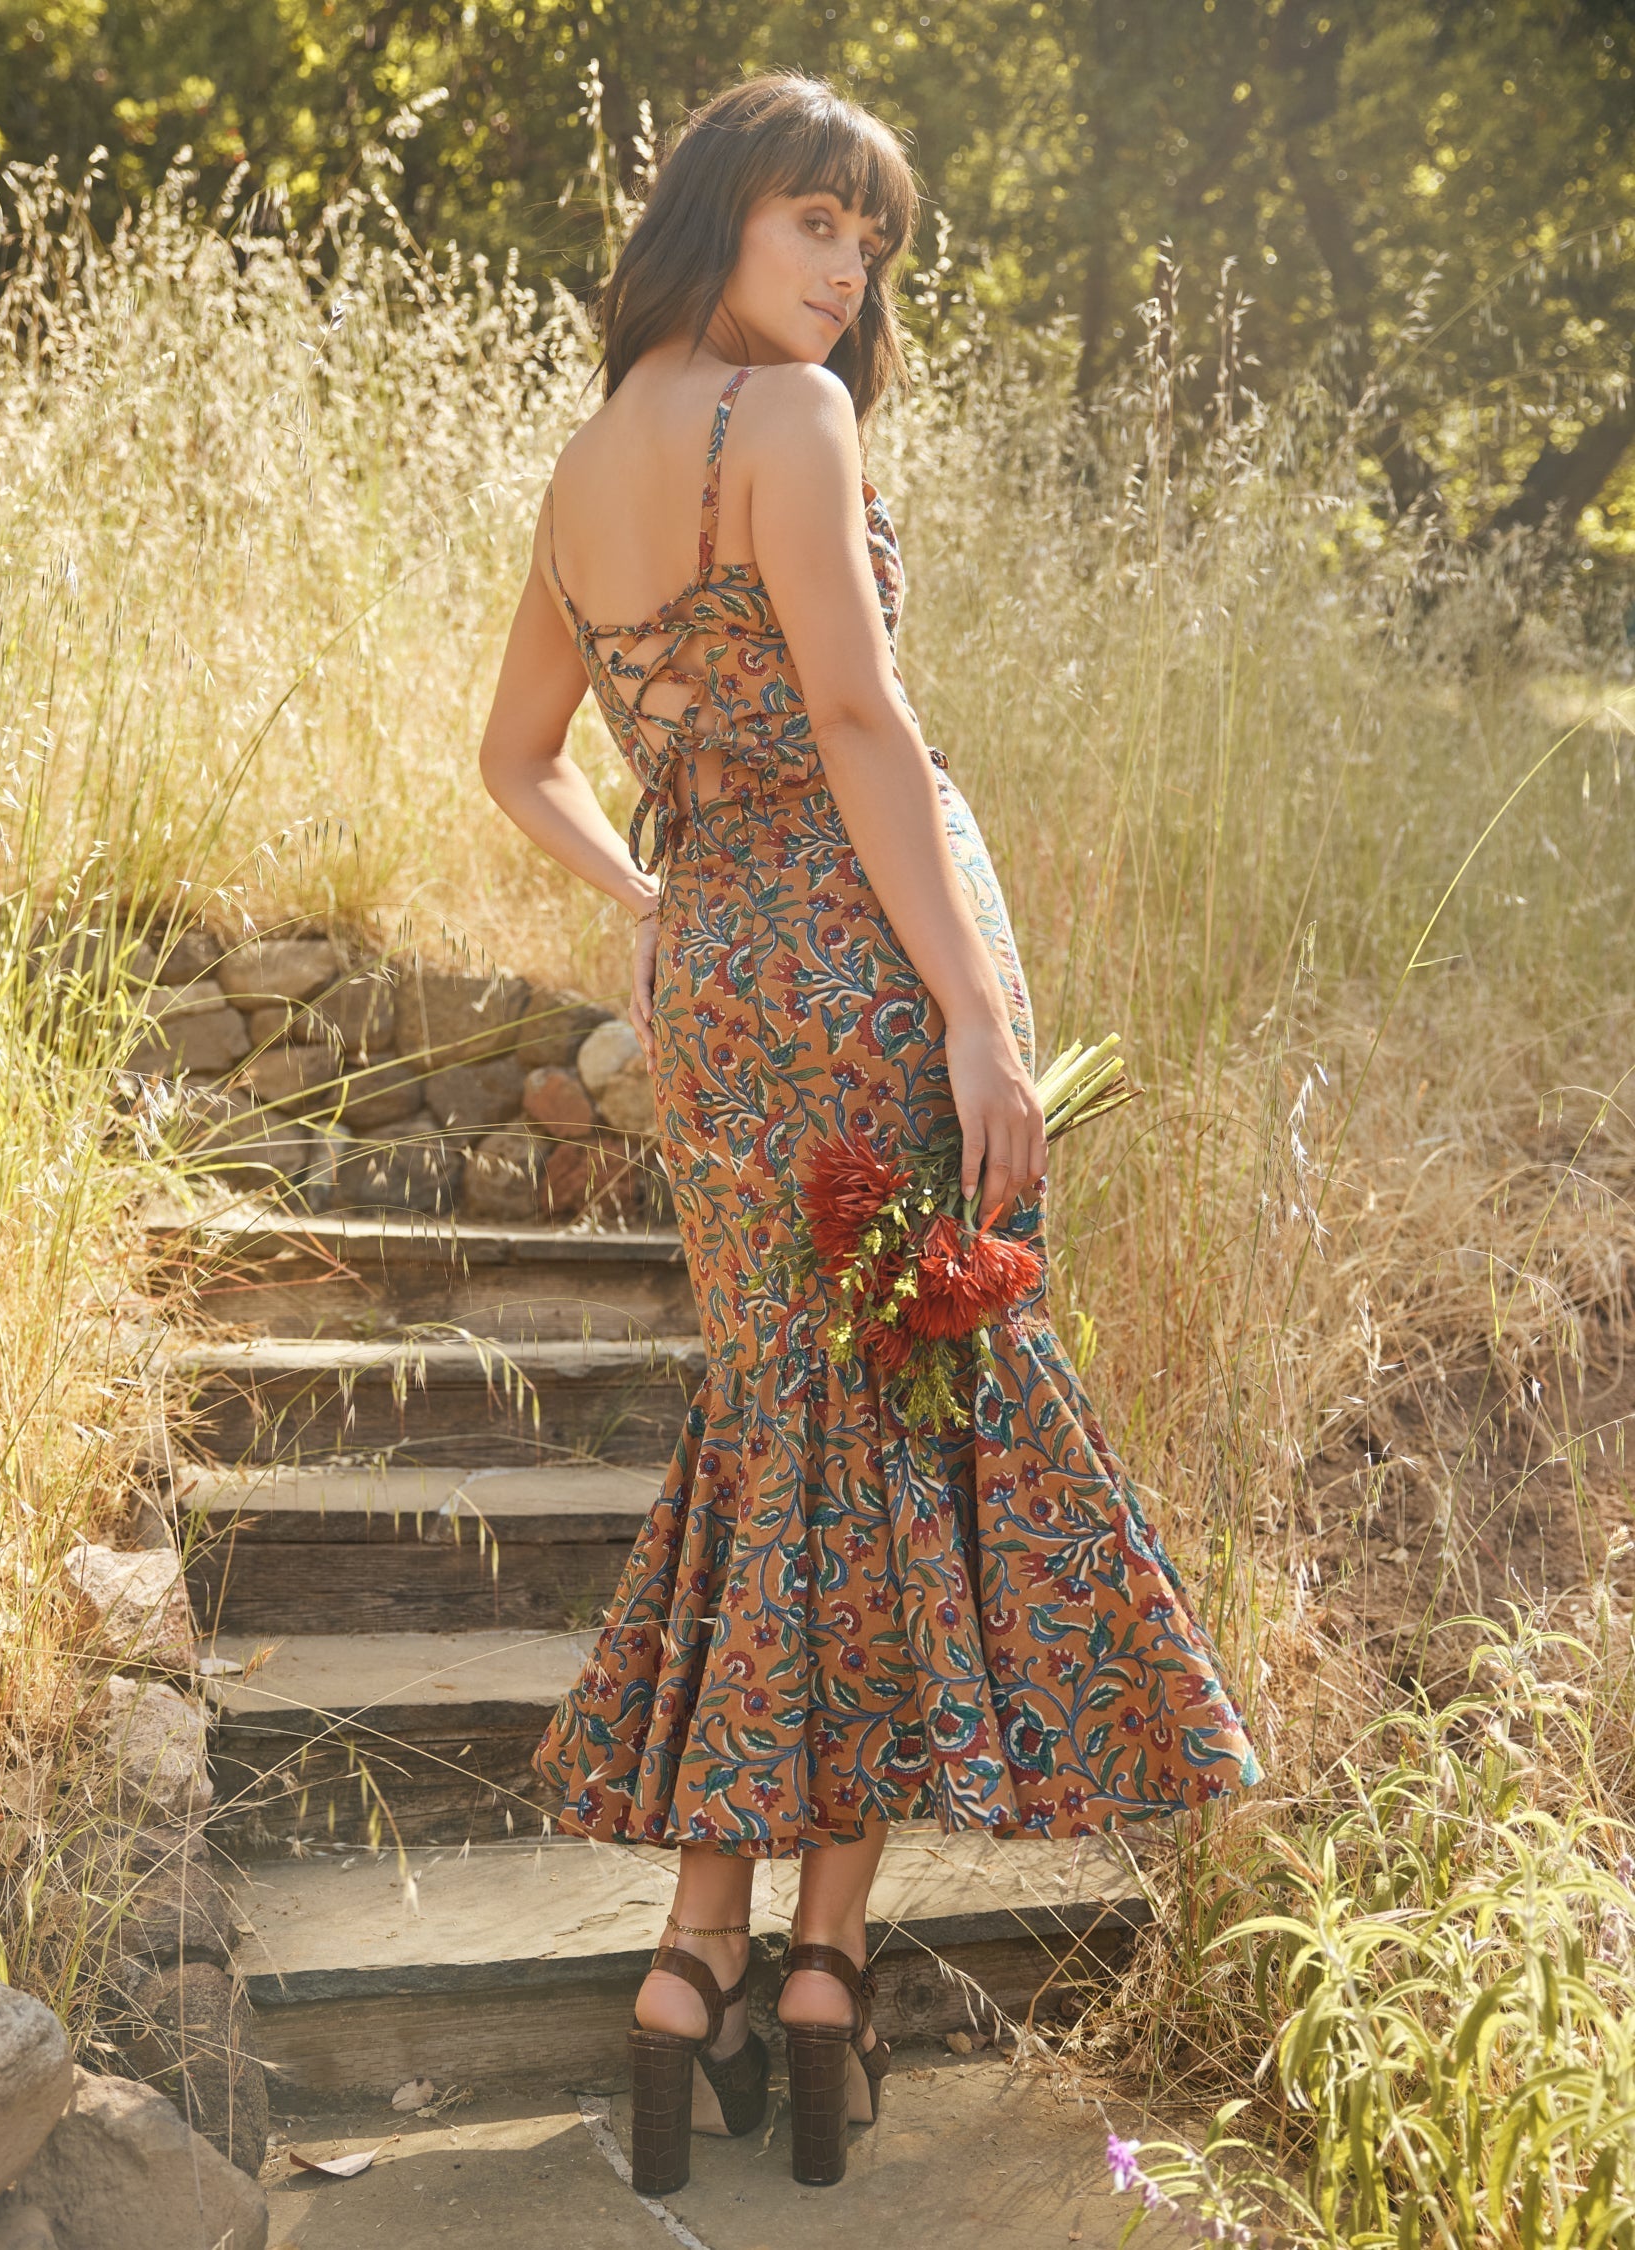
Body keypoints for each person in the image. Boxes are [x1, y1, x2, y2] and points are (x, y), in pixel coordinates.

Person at [477, 70, 1262, 2195]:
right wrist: (984, 1012)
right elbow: (854, 718)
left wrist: (658, 912)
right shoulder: (788, 429)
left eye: (870, 242)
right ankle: (817, 1970)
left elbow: (517, 757)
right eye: (816, 222)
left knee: (784, 1436)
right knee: (888, 1436)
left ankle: (701, 1958)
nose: (844, 271)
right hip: (852, 966)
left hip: (724, 988)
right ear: (719, 215)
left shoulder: (577, 473)